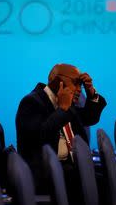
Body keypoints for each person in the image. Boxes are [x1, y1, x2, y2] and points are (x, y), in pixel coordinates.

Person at [15, 63, 107, 194]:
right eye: (75, 83)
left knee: (112, 175)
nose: (79, 90)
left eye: (80, 85)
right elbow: (39, 138)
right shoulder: (31, 102)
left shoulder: (66, 101)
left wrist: (91, 93)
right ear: (58, 81)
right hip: (46, 175)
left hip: (69, 169)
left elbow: (89, 118)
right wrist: (63, 110)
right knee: (102, 185)